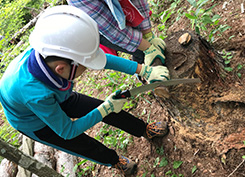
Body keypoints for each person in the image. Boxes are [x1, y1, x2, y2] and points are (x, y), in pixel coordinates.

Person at [0, 6, 170, 175]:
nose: (90, 67)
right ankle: (114, 161)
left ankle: (143, 129)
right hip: (32, 120)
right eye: (86, 65)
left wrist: (143, 70)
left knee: (104, 109)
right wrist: (105, 109)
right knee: (80, 143)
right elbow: (67, 131)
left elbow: (102, 59)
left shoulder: (52, 49)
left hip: (51, 94)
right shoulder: (35, 94)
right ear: (61, 69)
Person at [67, 0, 167, 66]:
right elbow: (111, 29)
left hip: (114, 12)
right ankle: (146, 74)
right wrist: (148, 48)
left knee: (144, 43)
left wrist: (148, 34)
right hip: (100, 27)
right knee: (139, 51)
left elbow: (136, 2)